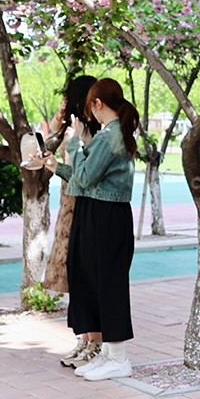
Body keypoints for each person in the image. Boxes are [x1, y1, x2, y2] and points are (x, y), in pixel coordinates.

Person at [61, 76, 139, 382]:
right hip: (102, 212)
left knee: (109, 284)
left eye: (88, 107)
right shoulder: (111, 133)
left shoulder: (110, 135)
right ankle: (108, 354)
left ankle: (118, 358)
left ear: (97, 103)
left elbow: (85, 177)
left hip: (108, 215)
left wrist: (75, 143)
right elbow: (85, 178)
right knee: (99, 282)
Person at [30, 74, 96, 366]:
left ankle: (94, 342)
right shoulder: (74, 126)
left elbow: (83, 170)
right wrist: (58, 121)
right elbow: (49, 145)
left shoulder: (92, 131)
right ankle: (84, 339)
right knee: (73, 275)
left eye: (69, 97)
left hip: (84, 204)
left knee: (85, 275)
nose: (65, 102)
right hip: (69, 204)